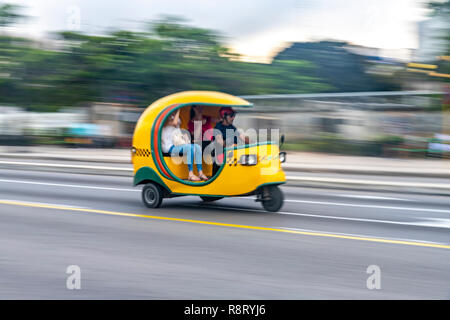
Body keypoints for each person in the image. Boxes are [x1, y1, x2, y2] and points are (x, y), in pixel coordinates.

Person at [161, 109, 208, 181]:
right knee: (189, 148)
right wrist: (178, 110)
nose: (173, 114)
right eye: (172, 112)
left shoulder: (175, 121)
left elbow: (178, 122)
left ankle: (200, 172)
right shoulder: (165, 121)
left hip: (177, 145)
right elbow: (175, 122)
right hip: (169, 148)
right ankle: (190, 174)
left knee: (197, 147)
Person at [211, 107, 250, 174]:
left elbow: (243, 138)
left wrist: (250, 141)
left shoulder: (233, 128)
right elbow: (220, 142)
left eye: (234, 115)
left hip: (232, 153)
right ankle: (216, 175)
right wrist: (231, 145)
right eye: (231, 115)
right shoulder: (218, 127)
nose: (233, 118)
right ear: (224, 116)